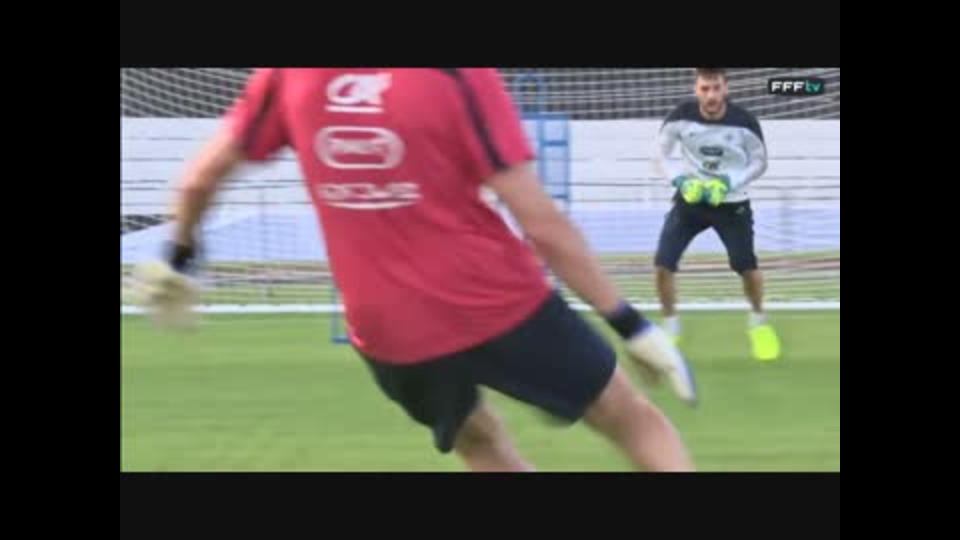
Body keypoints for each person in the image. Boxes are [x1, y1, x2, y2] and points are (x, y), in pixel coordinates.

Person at [134, 68, 697, 472]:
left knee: (480, 441)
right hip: (496, 301)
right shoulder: (457, 75)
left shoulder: (289, 74)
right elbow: (541, 223)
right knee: (628, 418)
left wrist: (179, 256)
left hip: (388, 332)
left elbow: (198, 180)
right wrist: (630, 324)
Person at [652, 68, 781, 361]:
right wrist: (680, 181)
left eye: (716, 88)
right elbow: (659, 156)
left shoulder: (744, 122)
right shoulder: (680, 117)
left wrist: (728, 183)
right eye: (705, 88)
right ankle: (671, 328)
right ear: (695, 89)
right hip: (691, 202)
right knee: (662, 265)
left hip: (732, 204)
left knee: (746, 268)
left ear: (726, 89)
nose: (710, 95)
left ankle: (758, 324)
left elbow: (760, 163)